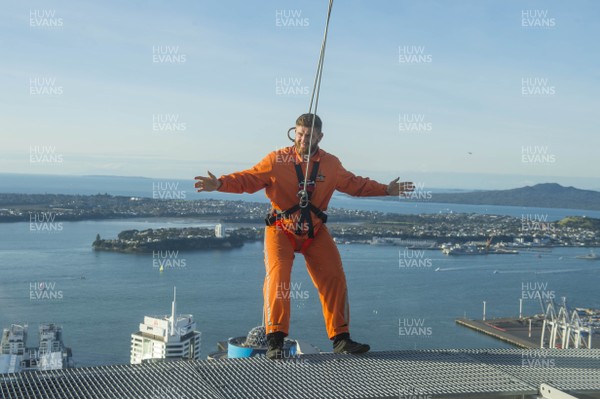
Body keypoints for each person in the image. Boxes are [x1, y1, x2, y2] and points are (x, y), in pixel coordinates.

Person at [195, 114, 414, 359]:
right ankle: (275, 341)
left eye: (309, 135)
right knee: (278, 277)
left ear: (320, 136)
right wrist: (221, 184)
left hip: (315, 230)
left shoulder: (331, 164)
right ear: (293, 133)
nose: (302, 139)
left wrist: (385, 189)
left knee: (334, 277)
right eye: (299, 133)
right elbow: (250, 178)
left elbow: (355, 184)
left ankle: (341, 339)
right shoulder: (277, 159)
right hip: (281, 228)